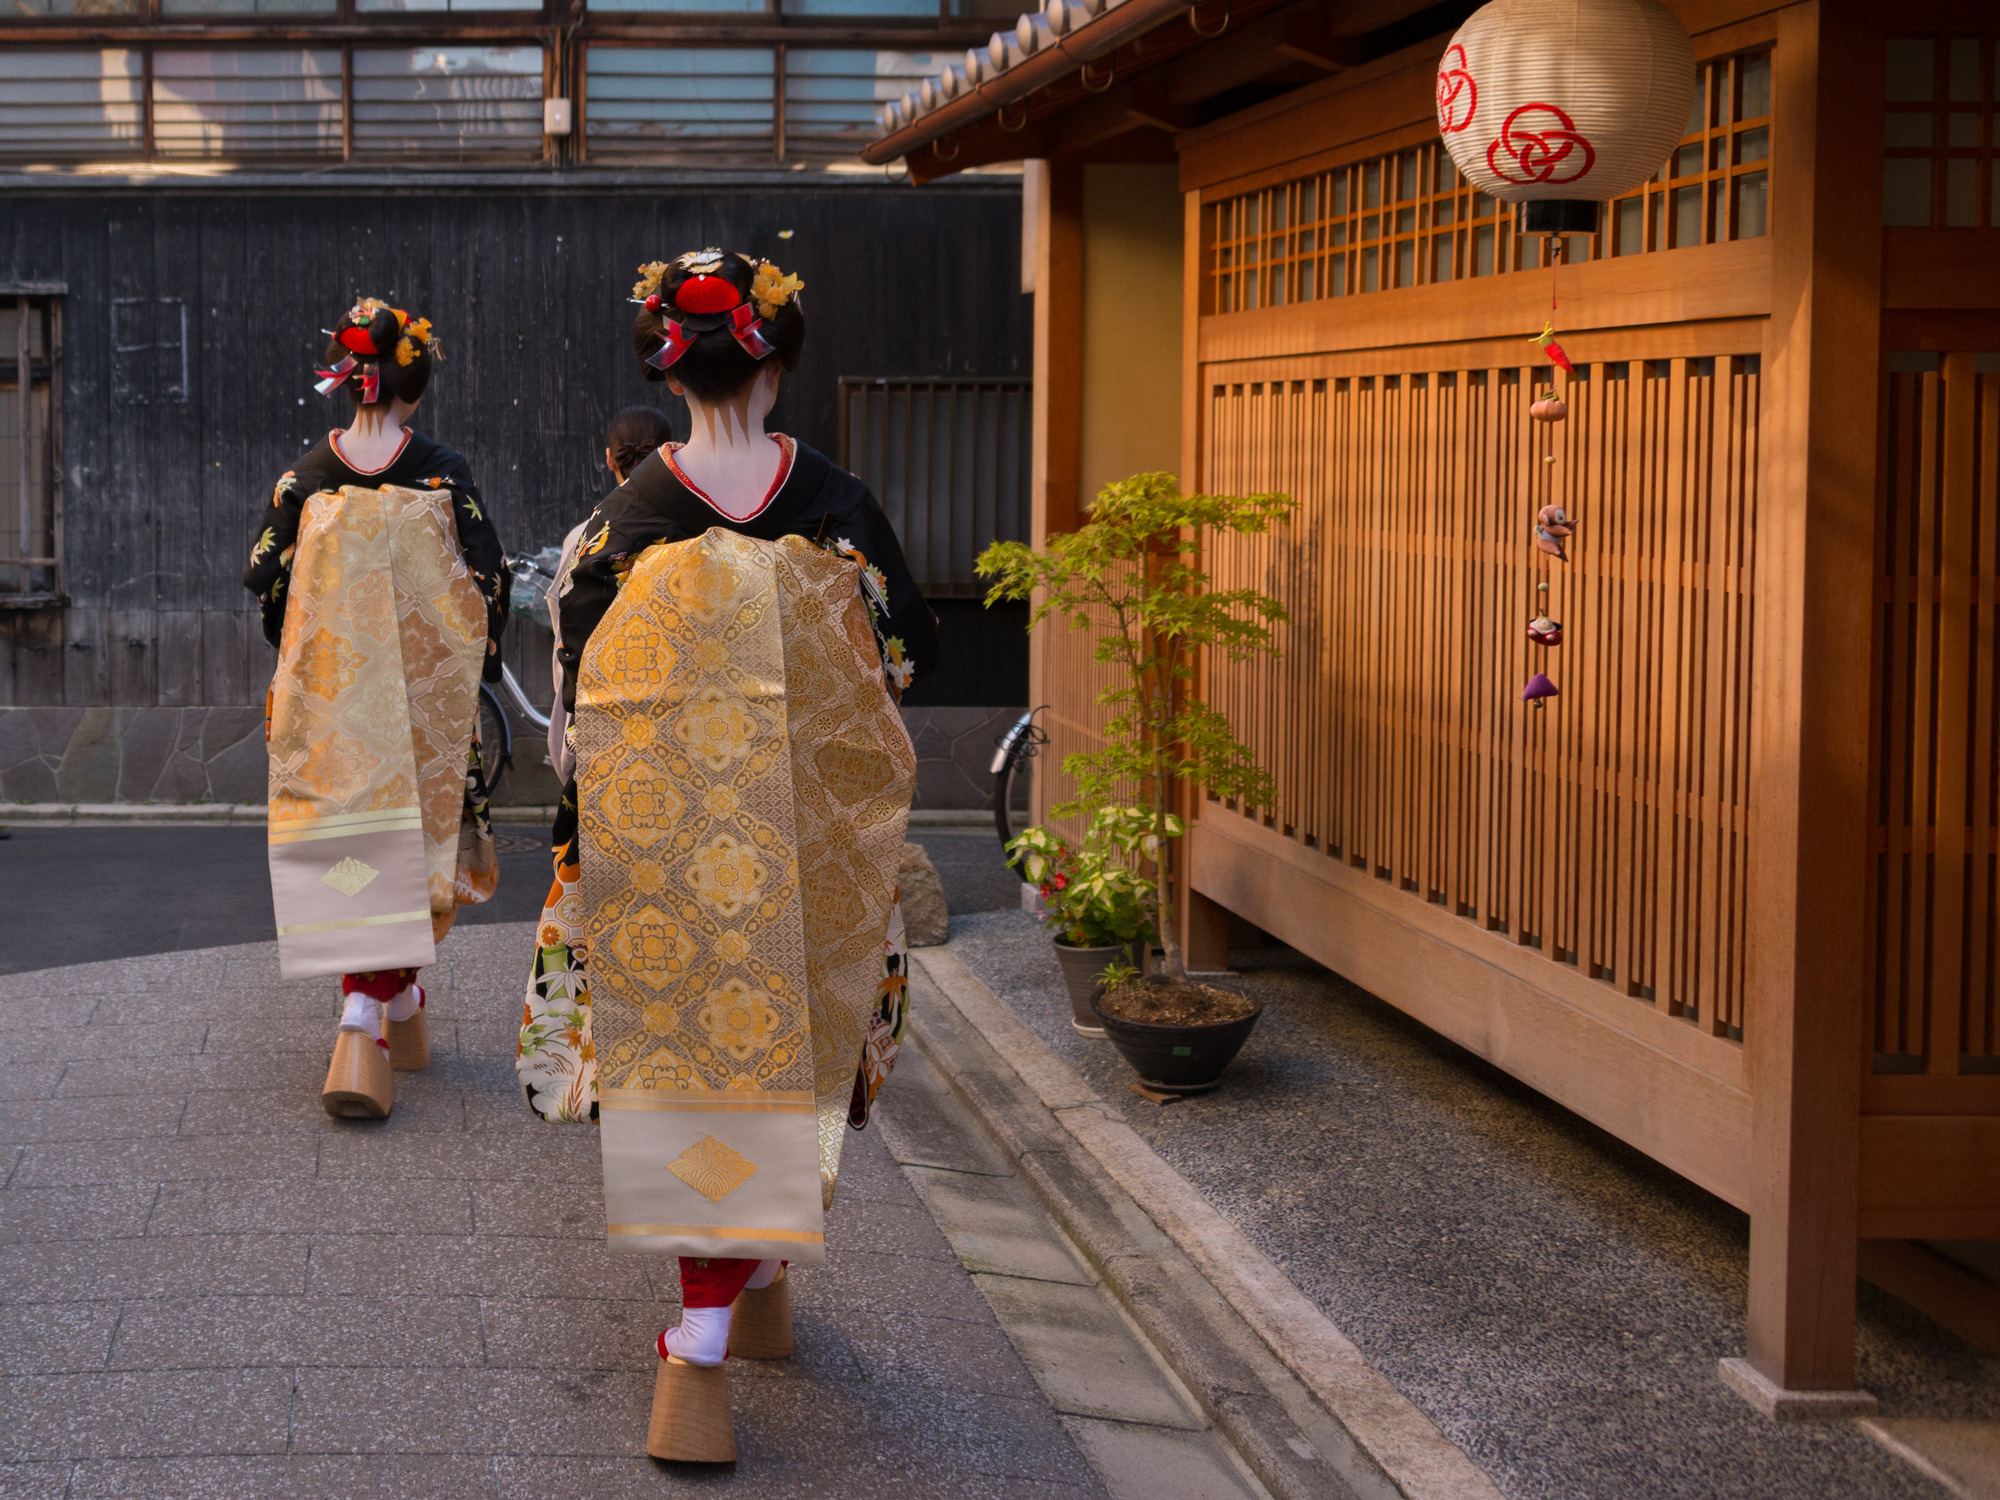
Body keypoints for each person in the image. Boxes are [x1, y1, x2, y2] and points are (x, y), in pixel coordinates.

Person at [515, 249, 937, 1461]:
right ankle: (702, 1335)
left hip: (664, 850)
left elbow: (580, 681)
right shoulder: (836, 505)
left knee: (690, 1058)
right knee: (793, 1055)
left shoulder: (626, 515)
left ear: (667, 361)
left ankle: (743, 1299)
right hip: (805, 846)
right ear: (782, 357)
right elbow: (907, 655)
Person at [246, 298, 507, 1120]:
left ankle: (390, 1008)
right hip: (423, 704)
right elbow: (485, 579)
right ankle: (368, 1013)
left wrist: (317, 660)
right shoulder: (440, 472)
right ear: (414, 387)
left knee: (355, 834)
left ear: (347, 382)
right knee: (416, 836)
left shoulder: (307, 478)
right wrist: (469, 656)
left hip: (332, 703)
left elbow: (267, 580)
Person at [543, 405, 676, 788]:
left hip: (605, 703)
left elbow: (565, 630)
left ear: (608, 458)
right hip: (674, 697)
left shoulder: (587, 534)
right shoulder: (693, 526)